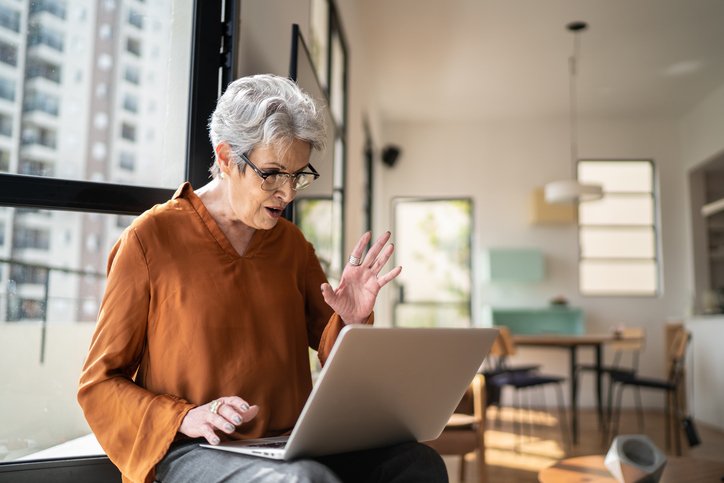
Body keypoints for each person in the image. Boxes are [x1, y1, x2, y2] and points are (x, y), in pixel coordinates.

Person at [77, 74, 448, 483]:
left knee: (417, 464)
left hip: (289, 443)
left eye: (297, 175)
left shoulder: (291, 245)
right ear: (225, 158)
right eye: (271, 174)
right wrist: (184, 416)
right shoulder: (149, 240)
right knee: (302, 480)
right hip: (194, 449)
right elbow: (99, 383)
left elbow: (332, 351)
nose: (287, 194)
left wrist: (352, 320)